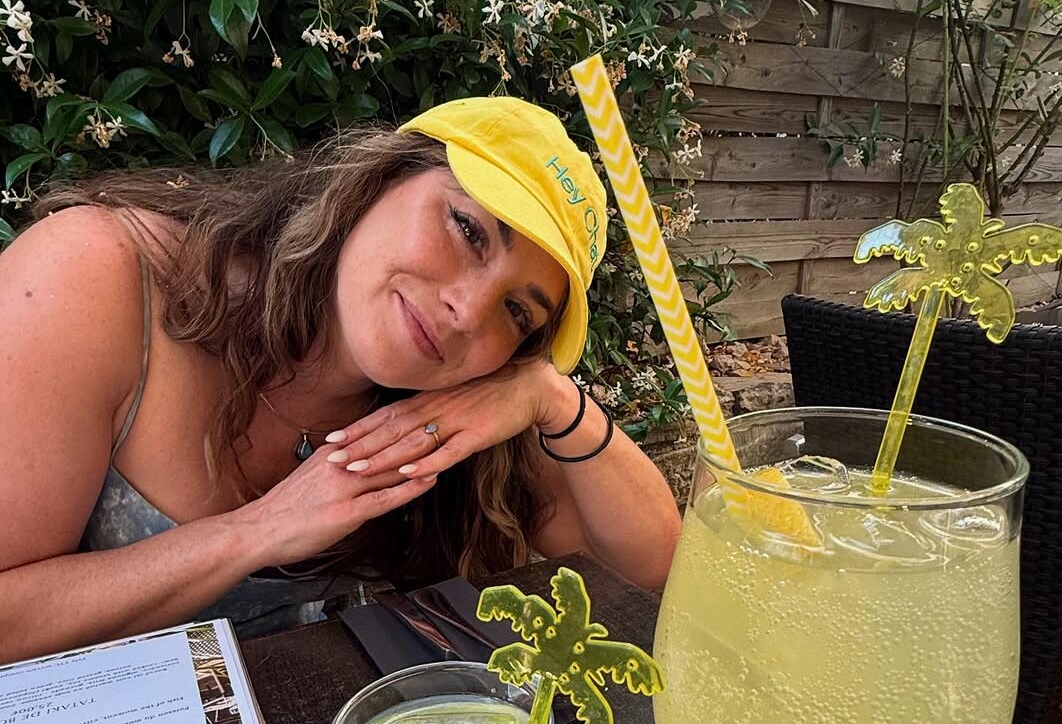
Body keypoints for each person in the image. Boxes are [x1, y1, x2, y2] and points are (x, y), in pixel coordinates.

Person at [0, 96, 681, 664]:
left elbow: (653, 572)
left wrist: (550, 397)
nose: (468, 311)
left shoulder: (462, 408)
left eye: (516, 311)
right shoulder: (100, 274)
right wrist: (258, 530)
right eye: (468, 230)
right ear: (379, 179)